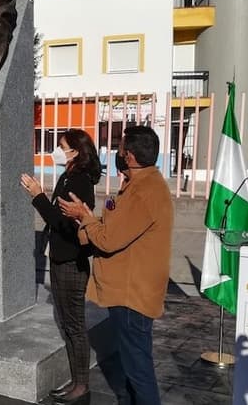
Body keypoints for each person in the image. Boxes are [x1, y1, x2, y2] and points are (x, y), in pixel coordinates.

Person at [59, 126, 172, 405]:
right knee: (132, 366)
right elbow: (113, 223)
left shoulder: (143, 191)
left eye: (120, 149)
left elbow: (109, 240)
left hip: (132, 294)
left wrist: (84, 217)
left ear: (130, 156)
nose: (117, 154)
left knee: (138, 369)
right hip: (129, 289)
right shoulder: (138, 184)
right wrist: (89, 218)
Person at [20, 129, 100, 405]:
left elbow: (64, 224)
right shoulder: (68, 176)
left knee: (75, 326)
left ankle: (82, 386)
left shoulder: (80, 181)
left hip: (71, 262)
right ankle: (76, 380)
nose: (56, 150)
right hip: (59, 258)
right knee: (66, 325)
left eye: (61, 146)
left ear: (75, 151)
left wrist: (37, 196)